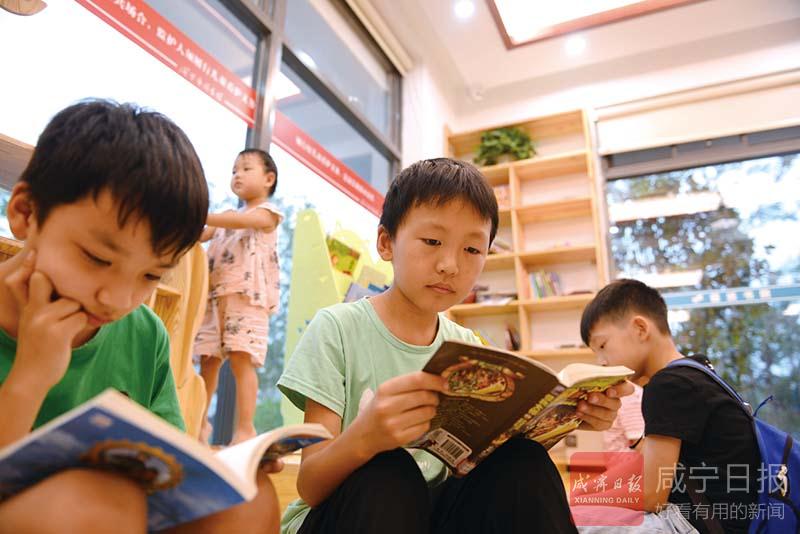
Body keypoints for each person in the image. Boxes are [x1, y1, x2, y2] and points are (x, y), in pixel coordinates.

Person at [277, 158, 633, 534]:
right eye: (432, 242)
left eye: (472, 250)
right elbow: (310, 485)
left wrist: (571, 419)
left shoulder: (468, 347)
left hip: (433, 518)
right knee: (389, 470)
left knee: (523, 460)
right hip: (348, 514)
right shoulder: (337, 328)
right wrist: (365, 437)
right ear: (386, 242)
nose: (450, 265)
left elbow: (493, 477)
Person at [0, 100, 281, 533]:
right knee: (98, 503)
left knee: (250, 498)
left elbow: (167, 469)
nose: (116, 299)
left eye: (150, 275)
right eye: (96, 258)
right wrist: (30, 377)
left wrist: (220, 471)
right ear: (26, 213)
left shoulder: (144, 332)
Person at [576, 279, 759, 534]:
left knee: (574, 521)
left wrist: (583, 502)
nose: (602, 361)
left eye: (603, 346)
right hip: (736, 520)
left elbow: (652, 495)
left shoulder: (668, 384)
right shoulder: (696, 371)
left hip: (706, 525)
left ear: (640, 328)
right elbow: (642, 462)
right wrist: (584, 492)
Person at [194, 148, 283, 445]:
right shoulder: (225, 220)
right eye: (234, 170)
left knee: (241, 360)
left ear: (268, 179)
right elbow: (200, 234)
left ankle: (245, 428)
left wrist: (203, 215)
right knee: (207, 360)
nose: (237, 175)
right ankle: (198, 423)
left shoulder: (267, 214)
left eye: (245, 168)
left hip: (247, 299)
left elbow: (241, 222)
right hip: (215, 298)